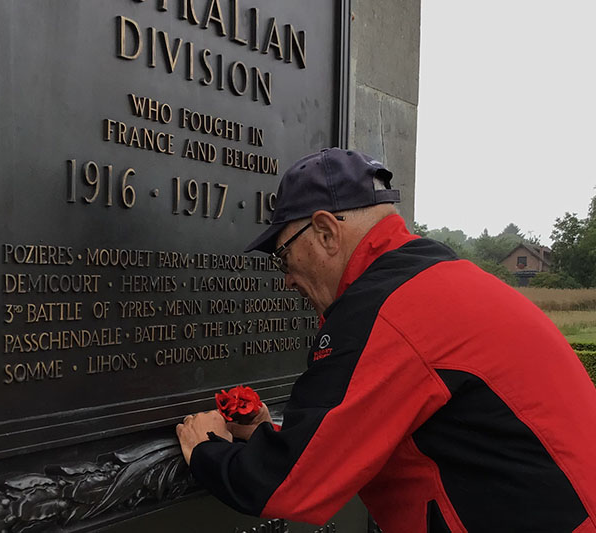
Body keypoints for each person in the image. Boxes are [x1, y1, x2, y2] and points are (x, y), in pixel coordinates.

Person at [176, 148, 596, 532]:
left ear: (325, 232)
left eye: (283, 255)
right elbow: (374, 430)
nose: (286, 280)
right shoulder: (435, 278)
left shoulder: (385, 310)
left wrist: (206, 449)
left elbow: (287, 485)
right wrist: (274, 432)